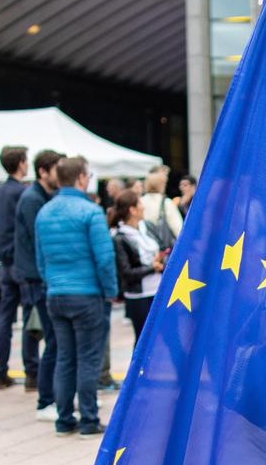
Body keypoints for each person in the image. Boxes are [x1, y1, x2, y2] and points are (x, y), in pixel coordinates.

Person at [34, 156, 117, 437]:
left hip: (56, 293)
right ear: (81, 178)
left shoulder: (44, 212)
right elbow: (104, 259)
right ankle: (89, 419)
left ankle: (64, 418)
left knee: (65, 357)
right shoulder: (90, 212)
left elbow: (41, 259)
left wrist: (51, 283)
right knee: (89, 359)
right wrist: (111, 292)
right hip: (87, 293)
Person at [16, 149, 63, 419]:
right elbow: (40, 241)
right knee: (53, 339)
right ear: (43, 171)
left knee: (57, 340)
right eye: (56, 169)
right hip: (37, 278)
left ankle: (55, 396)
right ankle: (46, 400)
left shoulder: (43, 196)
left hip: (41, 277)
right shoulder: (32, 199)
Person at [0, 145, 31, 389]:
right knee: (29, 317)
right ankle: (31, 371)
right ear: (20, 163)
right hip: (20, 261)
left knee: (5, 318)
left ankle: (1, 370)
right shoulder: (22, 193)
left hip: (4, 261)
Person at [108, 190, 164, 342]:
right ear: (132, 210)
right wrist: (153, 267)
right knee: (143, 340)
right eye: (140, 203)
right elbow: (126, 272)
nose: (143, 207)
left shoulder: (148, 228)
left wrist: (161, 261)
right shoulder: (119, 238)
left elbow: (163, 247)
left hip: (158, 290)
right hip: (139, 296)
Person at [140, 169, 183, 244]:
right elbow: (178, 229)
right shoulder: (167, 203)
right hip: (164, 250)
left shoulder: (139, 202)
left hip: (144, 247)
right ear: (161, 185)